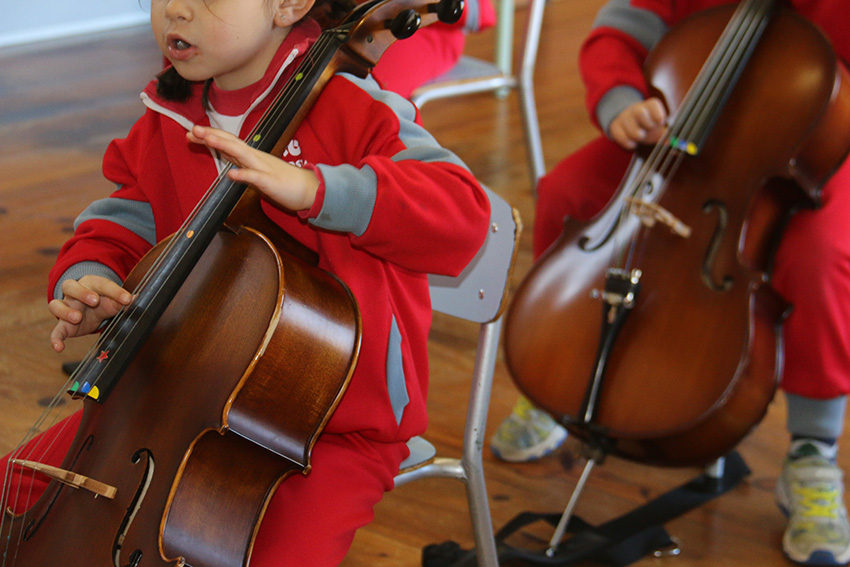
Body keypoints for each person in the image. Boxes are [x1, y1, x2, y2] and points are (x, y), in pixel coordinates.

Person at [0, 0, 490, 565]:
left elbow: (464, 215)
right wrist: (90, 279)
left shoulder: (355, 105)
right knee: (15, 498)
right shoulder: (169, 113)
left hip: (324, 425)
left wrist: (318, 191)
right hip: (172, 392)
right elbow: (125, 214)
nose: (176, 11)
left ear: (287, 6)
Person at [493, 0, 850, 565]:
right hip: (681, 131)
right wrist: (620, 102)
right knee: (569, 191)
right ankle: (557, 367)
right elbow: (618, 33)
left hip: (810, 149)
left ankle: (813, 447)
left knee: (824, 254)